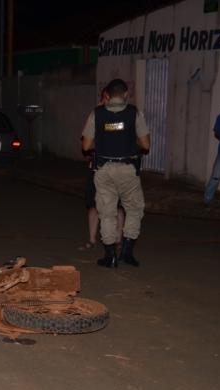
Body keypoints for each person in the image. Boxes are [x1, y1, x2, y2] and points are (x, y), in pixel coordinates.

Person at [81, 78, 150, 268]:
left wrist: (104, 141)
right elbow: (145, 144)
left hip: (103, 170)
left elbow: (86, 145)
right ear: (126, 94)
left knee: (107, 213)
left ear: (108, 95)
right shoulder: (134, 113)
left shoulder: (96, 113)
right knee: (134, 209)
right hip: (127, 170)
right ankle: (127, 252)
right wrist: (127, 139)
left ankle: (110, 256)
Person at [82, 149, 124, 250]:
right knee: (94, 205)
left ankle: (117, 240)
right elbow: (86, 147)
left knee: (117, 207)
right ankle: (93, 240)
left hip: (114, 169)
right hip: (99, 168)